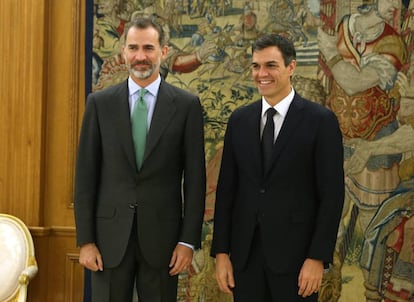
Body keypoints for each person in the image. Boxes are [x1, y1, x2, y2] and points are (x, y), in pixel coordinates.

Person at [74, 16, 206, 302]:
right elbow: (85, 176)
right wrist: (85, 241)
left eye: (148, 48)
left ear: (164, 51)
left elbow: (195, 181)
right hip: (108, 241)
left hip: (163, 241)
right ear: (123, 52)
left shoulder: (186, 106)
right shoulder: (99, 104)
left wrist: (187, 241)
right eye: (133, 48)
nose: (140, 56)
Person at [210, 33, 345, 301]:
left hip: (297, 261)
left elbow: (332, 196)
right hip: (244, 259)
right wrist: (222, 253)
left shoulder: (321, 121)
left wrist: (317, 257)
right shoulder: (239, 120)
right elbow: (226, 191)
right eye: (256, 66)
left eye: (271, 65)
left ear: (291, 67)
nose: (262, 73)